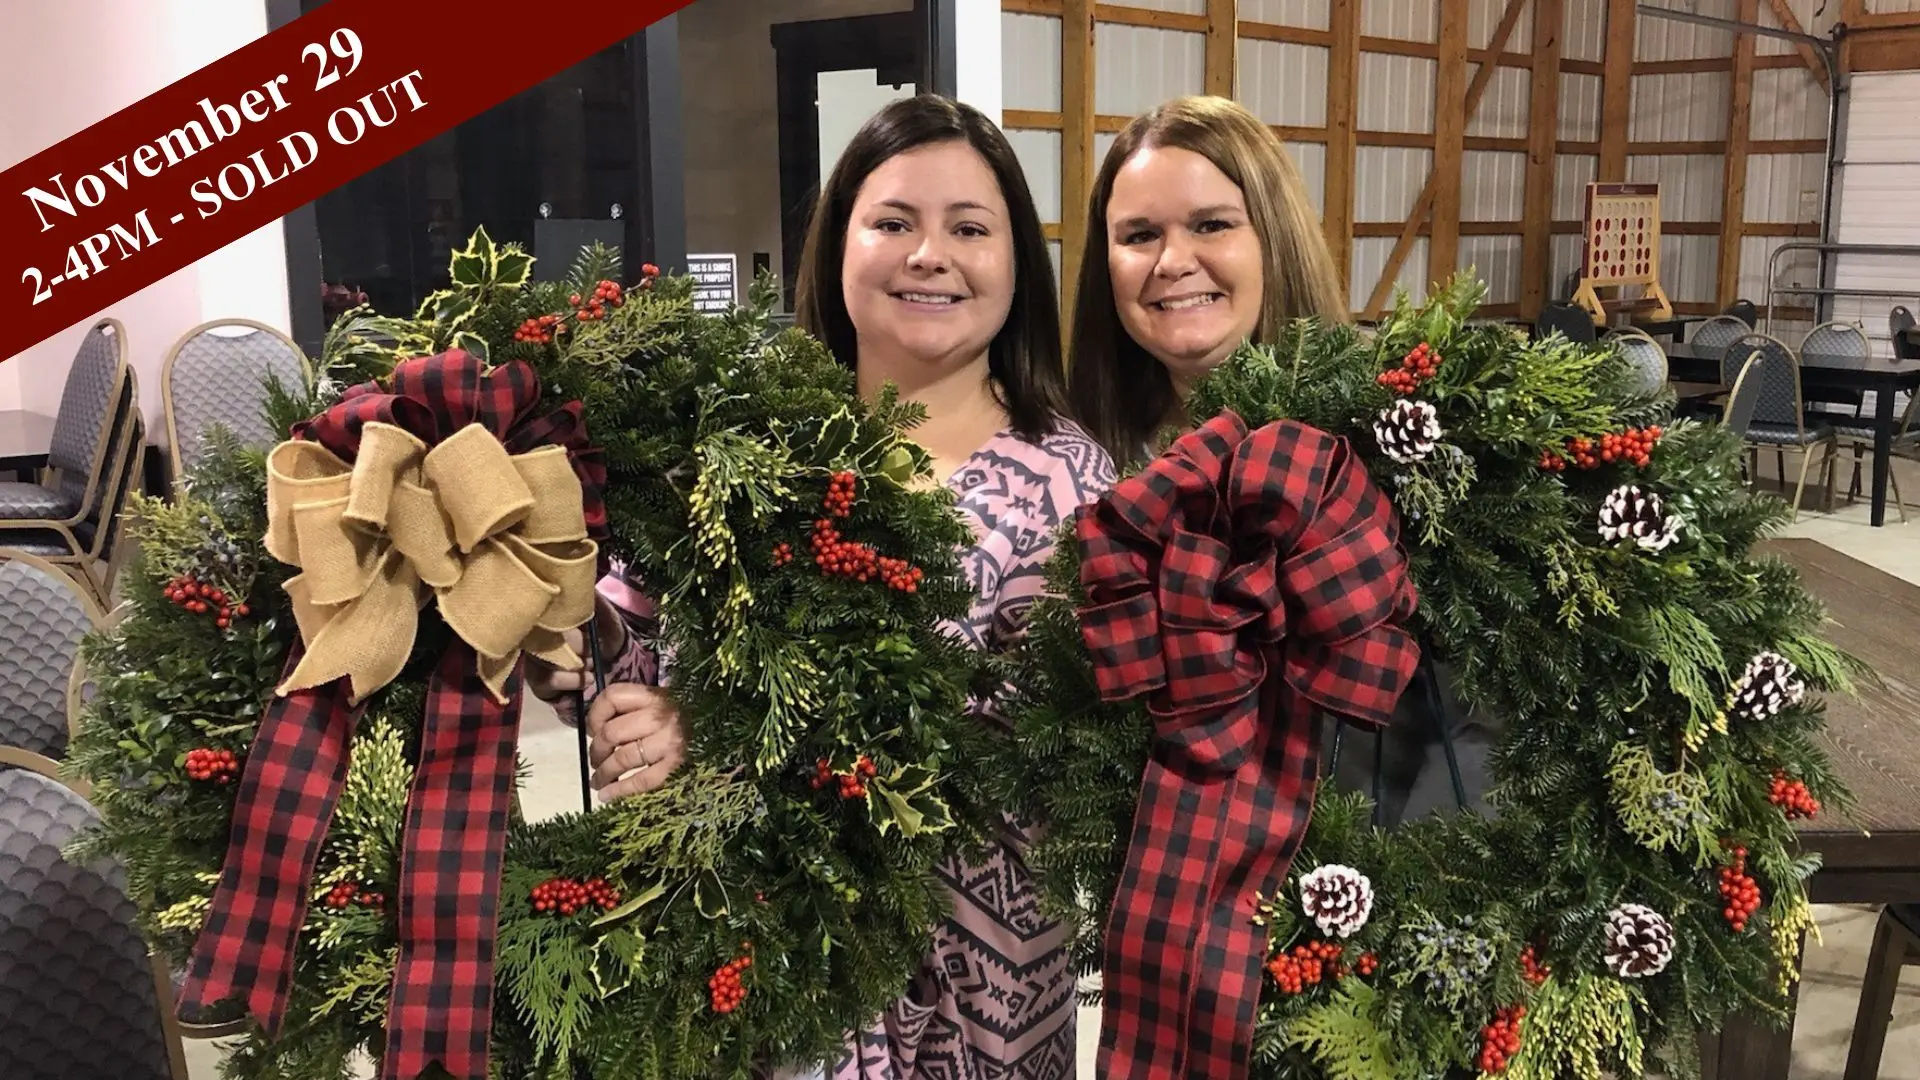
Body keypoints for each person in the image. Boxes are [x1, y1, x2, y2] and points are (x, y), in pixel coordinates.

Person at [527, 93, 1116, 1080]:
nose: (929, 254)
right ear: (838, 244)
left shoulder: (1080, 486)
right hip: (777, 968)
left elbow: (1068, 749)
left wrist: (737, 729)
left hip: (992, 995)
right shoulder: (738, 449)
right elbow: (620, 646)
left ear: (1017, 262)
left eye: (970, 227)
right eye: (892, 222)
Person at [1064, 94, 1348, 465]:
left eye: (1211, 225)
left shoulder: (1376, 434)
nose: (1173, 262)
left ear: (1277, 240)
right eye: (1141, 236)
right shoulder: (1071, 463)